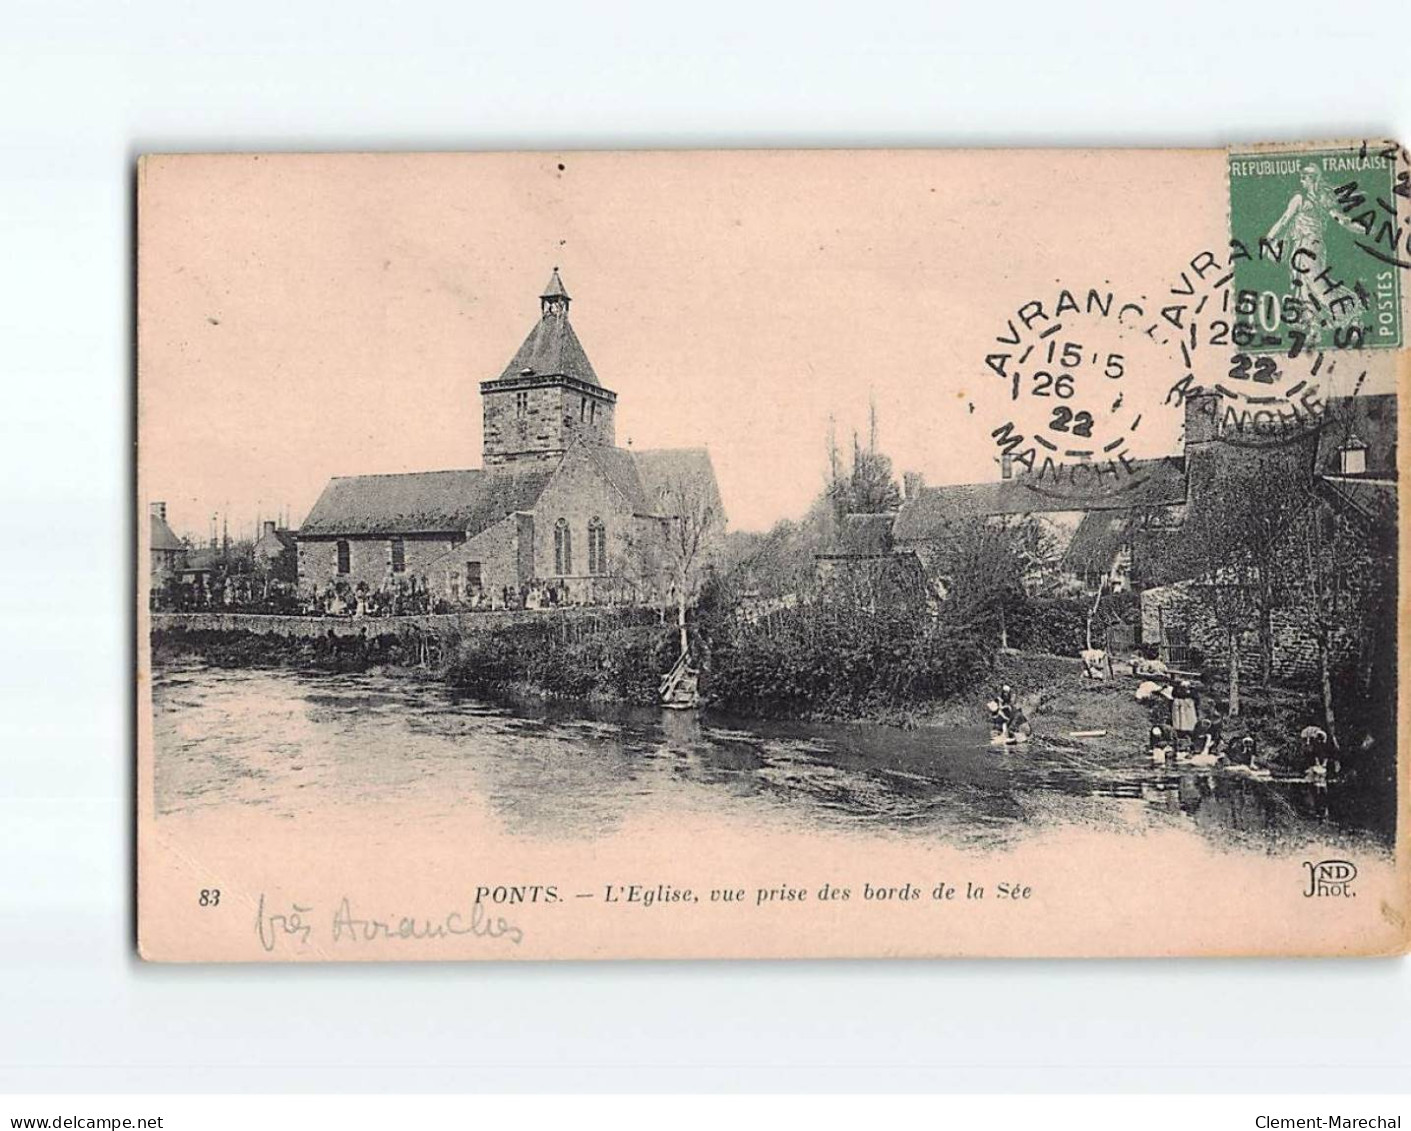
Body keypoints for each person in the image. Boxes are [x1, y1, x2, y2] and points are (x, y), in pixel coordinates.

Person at [1170, 680, 1198, 753]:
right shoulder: (1176, 692)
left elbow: (1196, 697)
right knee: (1179, 719)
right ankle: (1180, 733)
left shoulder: (1192, 692)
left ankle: (1189, 735)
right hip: (1180, 704)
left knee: (1189, 719)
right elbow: (1174, 694)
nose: (1184, 688)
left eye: (1186, 687)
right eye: (1183, 687)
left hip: (1188, 704)